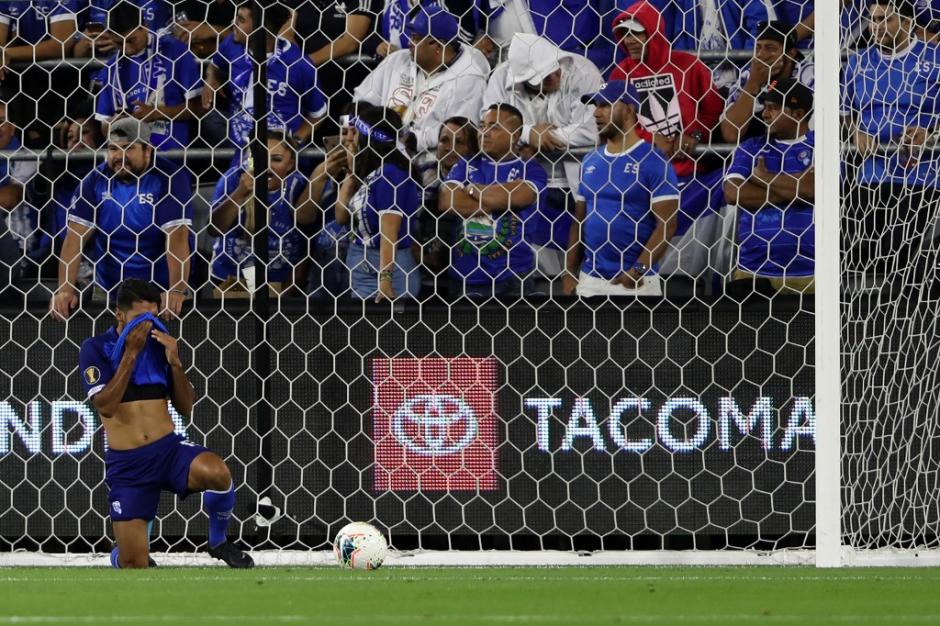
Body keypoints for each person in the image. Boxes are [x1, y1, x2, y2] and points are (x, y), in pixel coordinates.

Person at [77, 278, 253, 569]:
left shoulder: (160, 346)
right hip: (129, 465)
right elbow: (106, 407)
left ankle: (219, 542)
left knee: (217, 472)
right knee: (134, 564)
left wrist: (175, 363)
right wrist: (130, 354)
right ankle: (125, 550)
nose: (146, 326)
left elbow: (186, 407)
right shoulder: (96, 348)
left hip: (169, 451)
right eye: (138, 319)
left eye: (152, 317)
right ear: (119, 315)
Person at [483, 32, 602, 275]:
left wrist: (544, 138)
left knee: (583, 260)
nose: (556, 74)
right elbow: (487, 128)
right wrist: (528, 133)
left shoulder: (583, 71)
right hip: (524, 183)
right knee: (536, 269)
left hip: (577, 182)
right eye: (545, 77)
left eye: (555, 67)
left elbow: (590, 132)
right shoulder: (501, 78)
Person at [50, 118, 192, 319]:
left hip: (161, 293)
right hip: (109, 292)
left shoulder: (169, 178)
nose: (119, 156)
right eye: (113, 148)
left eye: (127, 148)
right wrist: (65, 289)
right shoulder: (94, 181)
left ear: (147, 150)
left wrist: (177, 289)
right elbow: (74, 238)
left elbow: (177, 237)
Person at [842, 0, 940, 279]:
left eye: (885, 20)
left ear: (907, 23)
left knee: (908, 265)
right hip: (871, 175)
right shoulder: (858, 62)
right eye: (873, 20)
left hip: (922, 175)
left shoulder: (934, 59)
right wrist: (855, 131)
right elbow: (842, 110)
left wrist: (931, 131)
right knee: (869, 258)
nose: (877, 27)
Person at [565, 81, 679, 298]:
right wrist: (570, 273)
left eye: (605, 105)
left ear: (629, 109)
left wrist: (638, 270)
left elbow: (668, 224)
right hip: (590, 280)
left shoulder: (654, 161)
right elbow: (579, 220)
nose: (597, 113)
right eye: (595, 106)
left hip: (637, 283)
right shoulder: (590, 161)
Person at [439, 103, 547, 298]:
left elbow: (520, 196)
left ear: (515, 135)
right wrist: (500, 200)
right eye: (482, 126)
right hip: (465, 277)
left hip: (513, 278)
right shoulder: (467, 162)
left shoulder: (531, 169)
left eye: (494, 127)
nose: (484, 133)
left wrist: (472, 189)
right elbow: (448, 201)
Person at [353, 4, 489, 154]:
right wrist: (375, 133)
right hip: (380, 154)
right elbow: (361, 102)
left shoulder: (469, 80)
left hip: (430, 164)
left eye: (416, 38)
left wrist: (412, 140)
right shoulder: (396, 61)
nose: (409, 42)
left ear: (437, 45)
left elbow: (460, 133)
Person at [724, 78, 815, 294]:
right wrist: (796, 189)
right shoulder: (750, 147)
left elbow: (814, 190)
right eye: (765, 107)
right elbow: (733, 193)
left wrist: (764, 178)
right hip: (752, 273)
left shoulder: (822, 144)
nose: (764, 114)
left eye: (773, 108)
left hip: (811, 275)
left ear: (798, 114)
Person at [208, 132, 328, 294]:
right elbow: (214, 229)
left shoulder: (298, 185)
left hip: (281, 284)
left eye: (276, 159)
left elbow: (306, 245)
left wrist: (287, 291)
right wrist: (240, 193)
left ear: (290, 164)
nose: (267, 165)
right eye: (260, 158)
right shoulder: (233, 179)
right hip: (229, 279)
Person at [208, 4, 327, 162]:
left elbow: (318, 113)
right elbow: (214, 64)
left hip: (281, 164)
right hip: (241, 157)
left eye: (241, 20)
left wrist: (295, 141)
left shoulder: (298, 64)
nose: (233, 23)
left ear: (261, 28)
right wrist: (211, 78)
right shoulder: (232, 45)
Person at [335, 106, 423, 301]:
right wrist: (351, 174)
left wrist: (385, 281)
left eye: (356, 133)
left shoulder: (391, 174)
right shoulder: (372, 173)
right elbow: (340, 217)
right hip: (364, 269)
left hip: (386, 274)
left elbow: (389, 233)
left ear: (368, 137)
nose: (351, 138)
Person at [94, 1, 203, 153]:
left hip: (169, 157)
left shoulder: (174, 51)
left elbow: (198, 108)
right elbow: (104, 126)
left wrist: (156, 113)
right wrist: (114, 124)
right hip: (129, 159)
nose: (127, 48)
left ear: (144, 26)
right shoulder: (111, 68)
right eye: (119, 43)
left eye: (131, 40)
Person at [721, 20, 815, 145]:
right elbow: (731, 134)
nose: (760, 55)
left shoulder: (809, 75)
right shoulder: (749, 76)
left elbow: (813, 128)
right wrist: (753, 83)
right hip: (757, 153)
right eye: (758, 48)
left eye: (770, 48)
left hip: (799, 150)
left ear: (790, 54)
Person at [74, 0, 175, 58]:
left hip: (149, 78)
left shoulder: (158, 4)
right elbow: (75, 55)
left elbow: (169, 42)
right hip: (102, 81)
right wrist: (87, 43)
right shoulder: (96, 3)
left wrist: (125, 40)